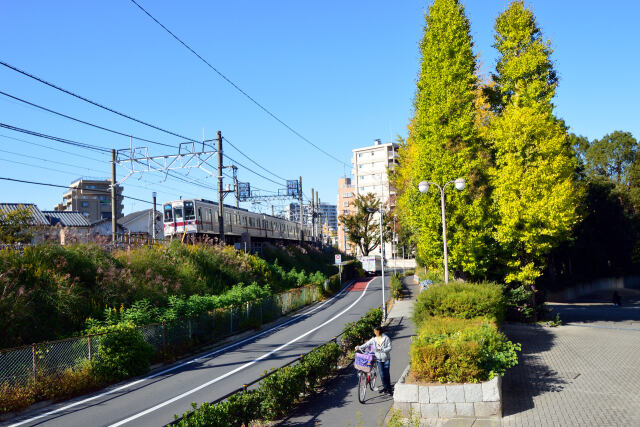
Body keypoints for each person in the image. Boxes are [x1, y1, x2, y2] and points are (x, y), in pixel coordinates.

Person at [355, 326, 392, 394]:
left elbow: (390, 347)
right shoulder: (374, 339)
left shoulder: (386, 338)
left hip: (386, 358)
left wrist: (382, 350)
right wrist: (359, 347)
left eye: (375, 331)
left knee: (386, 374)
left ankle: (389, 388)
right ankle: (385, 388)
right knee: (382, 374)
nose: (374, 332)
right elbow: (366, 344)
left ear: (379, 331)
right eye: (374, 331)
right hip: (378, 359)